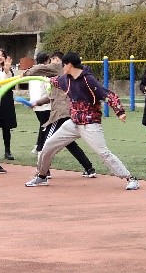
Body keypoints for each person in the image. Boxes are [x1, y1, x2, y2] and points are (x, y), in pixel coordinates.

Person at [25, 52, 139, 190]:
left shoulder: (88, 80)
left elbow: (108, 95)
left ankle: (130, 178)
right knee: (48, 146)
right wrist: (30, 78)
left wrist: (119, 111)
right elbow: (53, 81)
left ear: (69, 65)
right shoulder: (65, 79)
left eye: (63, 65)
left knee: (103, 153)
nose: (62, 67)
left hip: (90, 124)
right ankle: (42, 176)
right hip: (73, 123)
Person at [25, 51, 97, 178]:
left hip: (61, 114)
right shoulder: (65, 77)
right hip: (68, 112)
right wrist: (37, 102)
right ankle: (89, 168)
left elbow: (39, 69)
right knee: (68, 142)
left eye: (53, 60)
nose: (51, 63)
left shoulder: (59, 68)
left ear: (59, 60)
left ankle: (43, 172)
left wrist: (24, 74)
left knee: (47, 142)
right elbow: (53, 97)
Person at [0, 48, 17, 160]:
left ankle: (7, 151)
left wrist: (6, 71)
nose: (0, 57)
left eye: (2, 55)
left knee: (6, 127)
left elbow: (11, 85)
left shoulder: (8, 69)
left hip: (6, 101)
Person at [28, 52, 51, 155]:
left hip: (35, 104)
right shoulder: (44, 73)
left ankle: (38, 146)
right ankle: (40, 148)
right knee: (45, 126)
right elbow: (48, 89)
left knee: (43, 125)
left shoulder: (33, 71)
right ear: (46, 60)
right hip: (43, 105)